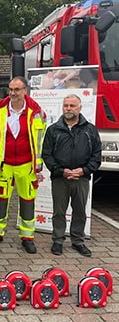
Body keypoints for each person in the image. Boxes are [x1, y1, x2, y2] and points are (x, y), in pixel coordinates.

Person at [0, 76, 47, 254]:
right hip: (5, 164)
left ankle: (27, 236)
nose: (13, 93)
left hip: (26, 165)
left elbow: (40, 140)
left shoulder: (36, 111)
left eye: (17, 90)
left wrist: (38, 165)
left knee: (28, 201)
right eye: (11, 89)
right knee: (1, 199)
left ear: (25, 91)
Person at [42, 94, 101, 257]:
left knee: (80, 211)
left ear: (80, 108)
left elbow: (97, 155)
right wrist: (62, 171)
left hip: (81, 178)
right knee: (59, 211)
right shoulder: (53, 130)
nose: (68, 108)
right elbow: (46, 155)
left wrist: (84, 170)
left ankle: (78, 241)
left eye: (72, 106)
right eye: (66, 105)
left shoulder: (90, 130)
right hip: (60, 178)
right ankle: (58, 241)